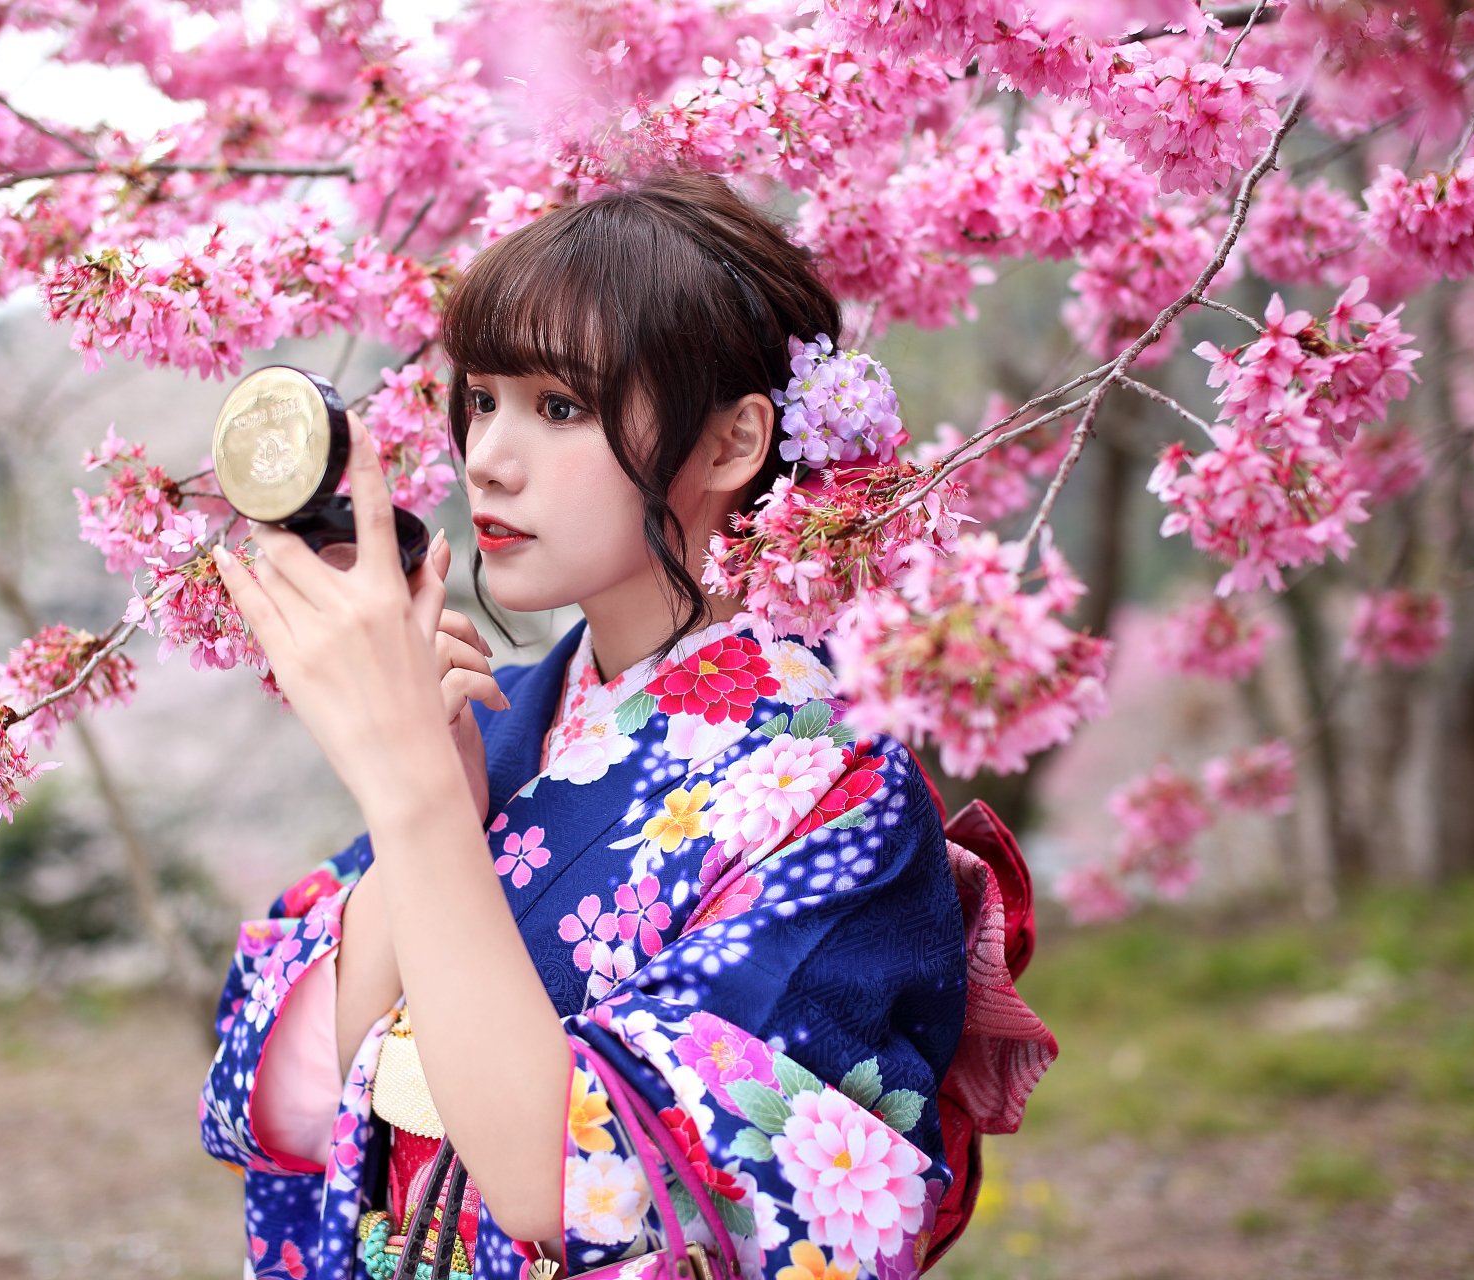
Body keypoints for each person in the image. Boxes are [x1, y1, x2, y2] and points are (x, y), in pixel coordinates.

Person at [198, 169, 1056, 1280]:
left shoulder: (837, 786)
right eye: (484, 399)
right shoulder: (513, 730)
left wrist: (410, 795)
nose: (488, 457)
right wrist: (435, 799)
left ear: (734, 442)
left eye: (560, 407)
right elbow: (277, 1100)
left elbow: (582, 1189)